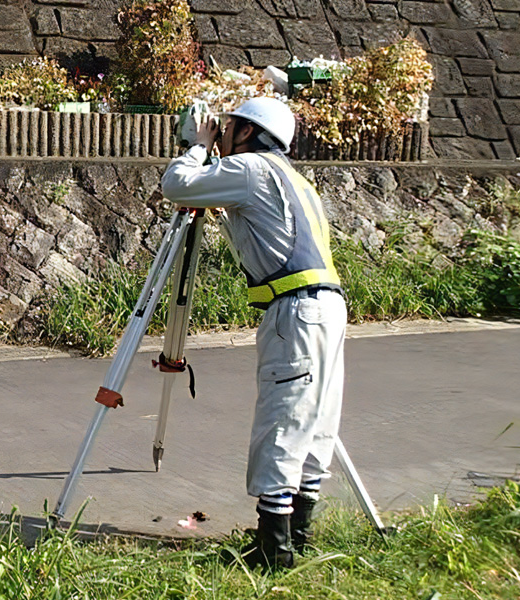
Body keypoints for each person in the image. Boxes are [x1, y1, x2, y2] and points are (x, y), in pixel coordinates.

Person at [161, 97, 347, 569]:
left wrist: (198, 147)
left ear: (247, 133)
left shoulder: (250, 170)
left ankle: (273, 553)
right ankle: (297, 537)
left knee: (282, 421)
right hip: (327, 306)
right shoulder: (292, 177)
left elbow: (177, 185)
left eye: (227, 127)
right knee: (314, 423)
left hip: (295, 311)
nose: (220, 133)